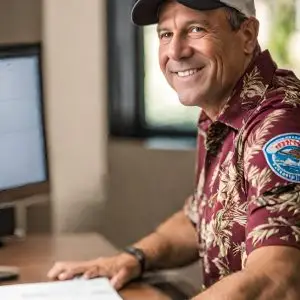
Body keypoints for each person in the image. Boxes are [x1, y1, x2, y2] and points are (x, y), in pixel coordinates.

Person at [48, 0, 300, 298]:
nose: (176, 51)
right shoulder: (222, 110)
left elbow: (277, 278)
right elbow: (201, 220)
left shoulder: (280, 125)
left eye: (195, 29)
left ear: (247, 36)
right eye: (165, 34)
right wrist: (131, 259)